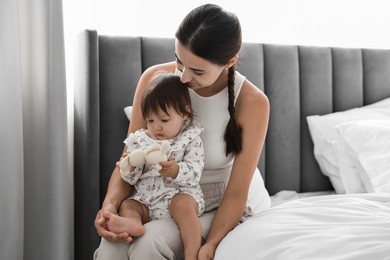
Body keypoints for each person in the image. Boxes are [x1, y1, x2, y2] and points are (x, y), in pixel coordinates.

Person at [94, 3, 271, 260]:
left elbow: (236, 192)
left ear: (229, 62)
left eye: (198, 70)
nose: (184, 77)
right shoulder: (155, 78)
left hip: (211, 203)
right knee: (112, 247)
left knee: (148, 244)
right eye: (179, 61)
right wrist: (109, 208)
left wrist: (211, 244)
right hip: (153, 194)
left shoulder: (252, 102)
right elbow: (127, 161)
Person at [102, 72, 205, 260]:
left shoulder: (189, 138)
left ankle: (193, 253)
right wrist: (129, 168)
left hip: (178, 194)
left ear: (184, 113)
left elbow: (195, 171)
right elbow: (130, 178)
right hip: (146, 200)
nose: (156, 127)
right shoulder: (140, 140)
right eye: (150, 120)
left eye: (164, 120)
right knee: (128, 205)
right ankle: (132, 224)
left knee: (183, 206)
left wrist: (176, 170)